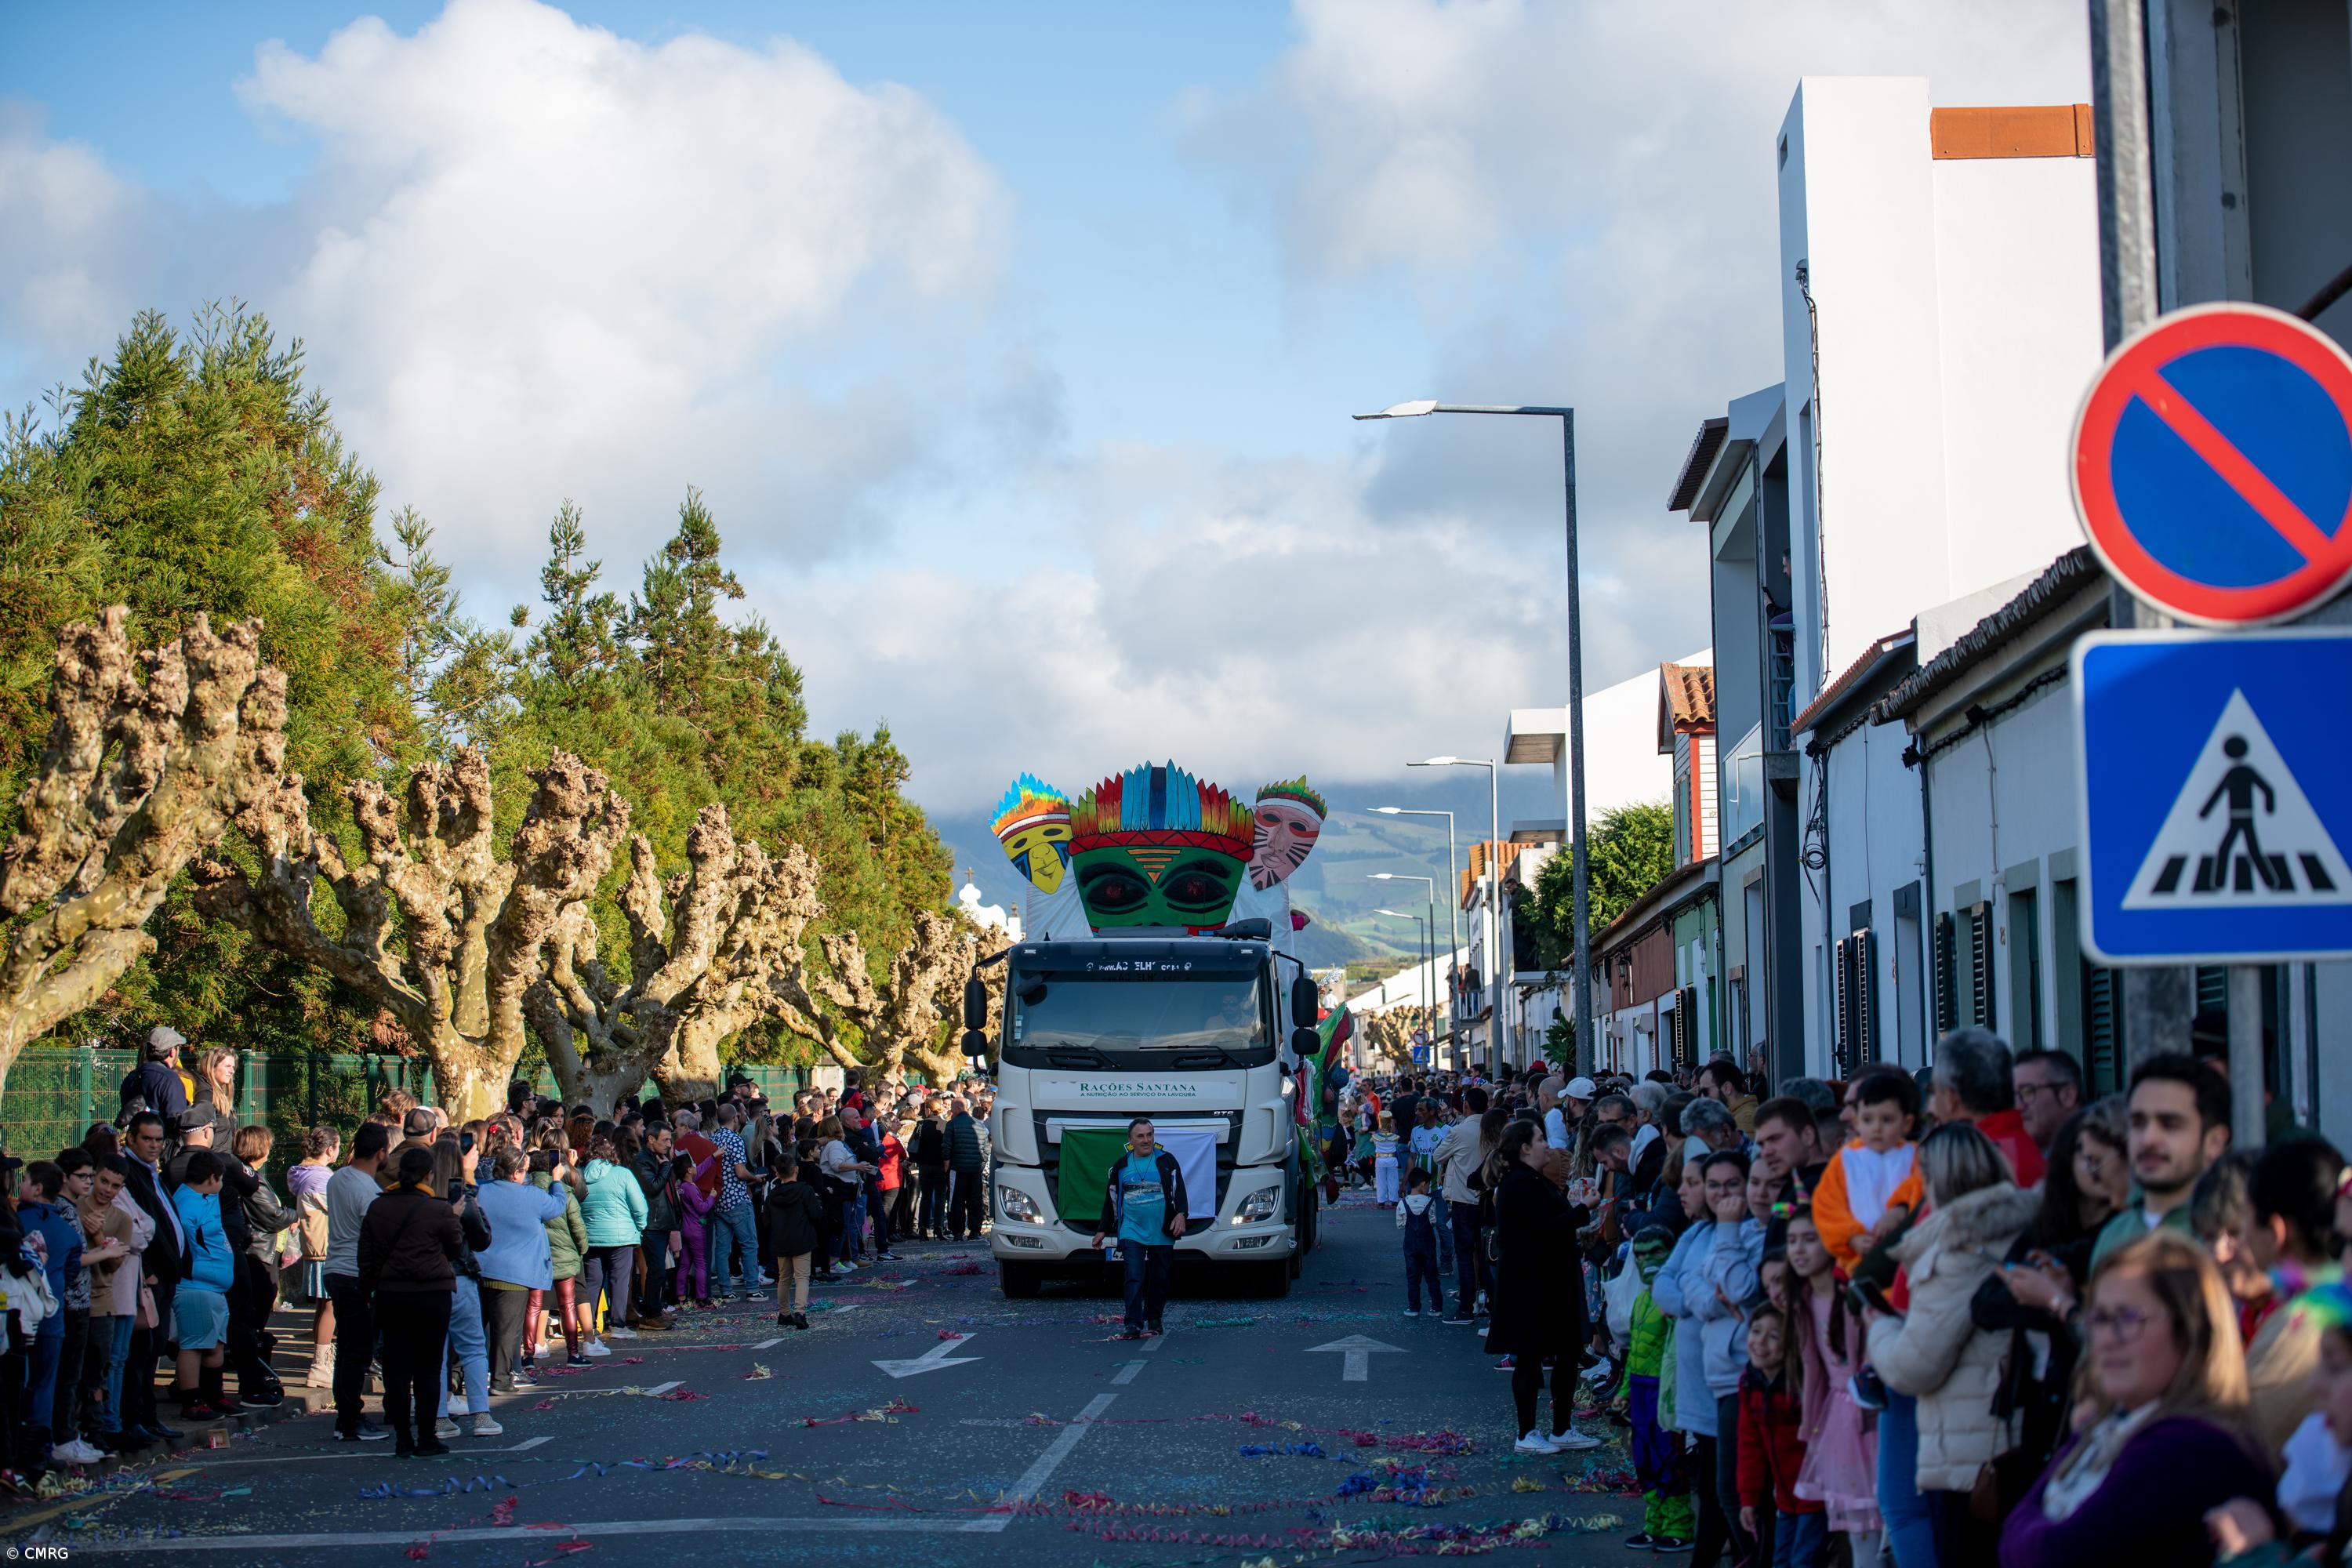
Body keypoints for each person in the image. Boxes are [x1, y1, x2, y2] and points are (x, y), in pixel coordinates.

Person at [1999, 1232, 2274, 1567]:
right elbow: (2012, 1531)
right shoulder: (2112, 1424)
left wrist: (2027, 1529)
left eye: (2129, 1318)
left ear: (2191, 1330)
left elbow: (2056, 1555)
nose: (2107, 1340)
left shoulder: (2194, 1446)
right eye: (2099, 1319)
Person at [1864, 1122, 2040, 1568]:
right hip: (2007, 1436)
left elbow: (1913, 1366)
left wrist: (1878, 1327)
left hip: (1967, 1453)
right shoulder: (2018, 1227)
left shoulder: (1958, 1250)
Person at [1485, 1120, 1600, 1455]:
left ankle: (1562, 1428)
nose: (1547, 1145)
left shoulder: (1534, 1180)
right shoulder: (1519, 1183)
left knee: (1566, 1353)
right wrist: (1584, 1211)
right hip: (1530, 1282)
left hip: (1549, 1278)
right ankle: (1527, 1432)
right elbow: (1542, 1228)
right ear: (1524, 1148)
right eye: (1540, 1139)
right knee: (1530, 1356)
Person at [357, 1145, 465, 1458]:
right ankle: (427, 1436)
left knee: (397, 1367)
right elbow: (455, 1249)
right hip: (432, 1294)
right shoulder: (438, 1210)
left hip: (392, 1294)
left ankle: (403, 1437)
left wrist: (370, 1289)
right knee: (430, 1368)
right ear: (428, 1175)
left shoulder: (378, 1208)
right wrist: (454, 1218)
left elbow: (367, 1254)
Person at [1784, 1206, 1879, 1555]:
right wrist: (1810, 1426)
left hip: (1872, 1415)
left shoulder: (1853, 1296)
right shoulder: (1804, 1300)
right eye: (1792, 1241)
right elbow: (1813, 1368)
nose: (1799, 1250)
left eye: (1810, 1239)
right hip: (1838, 1418)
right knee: (1859, 1529)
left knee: (1887, 1523)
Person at [2094, 1053, 2235, 1270]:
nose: (2149, 1139)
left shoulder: (2233, 1241)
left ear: (2215, 1142)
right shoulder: (2114, 1235)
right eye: (2138, 1123)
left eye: (2170, 1124)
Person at [474, 1145, 569, 1410]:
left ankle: (469, 1376)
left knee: (479, 1327)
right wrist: (557, 1180)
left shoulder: (482, 1192)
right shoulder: (532, 1196)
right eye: (524, 1171)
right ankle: (501, 1378)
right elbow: (558, 1206)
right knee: (507, 1330)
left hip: (482, 1268)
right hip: (515, 1273)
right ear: (517, 1173)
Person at [1622, 1219, 1695, 1552]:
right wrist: (1623, 1393)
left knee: (1670, 1459)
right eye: (1639, 1254)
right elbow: (1633, 1349)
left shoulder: (1675, 1302)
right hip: (1639, 1390)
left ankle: (1679, 1525)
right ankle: (1655, 1522)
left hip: (1664, 1392)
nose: (1645, 1260)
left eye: (1655, 1252)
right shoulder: (1640, 1302)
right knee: (1645, 1459)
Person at [1739, 1300, 1825, 1567]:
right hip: (1785, 1498)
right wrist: (1749, 1499)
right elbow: (1748, 1444)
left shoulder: (1802, 1387)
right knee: (1781, 1559)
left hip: (1815, 1494)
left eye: (1774, 1336)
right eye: (1756, 1331)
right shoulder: (1751, 1382)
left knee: (1802, 1561)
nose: (1761, 1342)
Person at [321, 1120, 391, 1441]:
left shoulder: (338, 1179)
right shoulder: (371, 1192)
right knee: (357, 1351)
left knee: (348, 1346)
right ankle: (350, 1418)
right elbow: (377, 1237)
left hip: (334, 1268)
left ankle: (345, 1415)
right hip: (356, 1275)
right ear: (381, 1152)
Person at [1813, 1065, 1920, 1272]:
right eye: (1868, 1118)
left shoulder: (1916, 1156)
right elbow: (1826, 1206)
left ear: (1906, 1122)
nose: (1877, 1128)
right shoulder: (1846, 1160)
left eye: (1886, 1119)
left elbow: (1922, 1189)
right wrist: (1850, 1237)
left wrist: (1901, 1207)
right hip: (1857, 1263)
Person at [1092, 1117, 1188, 1340]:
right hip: (1131, 1230)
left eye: (1150, 1135)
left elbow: (1179, 1190)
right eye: (1141, 1136)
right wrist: (1103, 1229)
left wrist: (1181, 1215)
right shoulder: (1121, 1165)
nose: (1146, 1140)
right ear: (1130, 1140)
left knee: (1159, 1278)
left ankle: (1154, 1318)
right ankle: (1133, 1323)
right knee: (1134, 1276)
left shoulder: (1166, 1161)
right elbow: (1112, 1200)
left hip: (1161, 1230)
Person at [427, 1138, 495, 1442]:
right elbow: (482, 1238)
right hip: (461, 1277)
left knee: (436, 1351)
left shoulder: (423, 1201)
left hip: (428, 1282)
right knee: (472, 1347)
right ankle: (482, 1414)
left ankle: (440, 1416)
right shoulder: (463, 1200)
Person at [1926, 1027, 2045, 1187]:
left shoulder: (1974, 1163)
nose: (1929, 1108)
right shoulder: (2021, 1149)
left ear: (1951, 1099)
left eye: (1934, 1090)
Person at [164, 1151, 233, 1422]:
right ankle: (192, 1400)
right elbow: (181, 1246)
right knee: (193, 1345)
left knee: (214, 1344)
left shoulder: (204, 1197)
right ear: (212, 1178)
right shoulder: (187, 1205)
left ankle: (214, 1395)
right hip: (196, 1286)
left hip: (213, 1287)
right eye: (221, 1179)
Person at [579, 1135, 648, 1341]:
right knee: (620, 1280)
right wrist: (639, 1227)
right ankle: (618, 1324)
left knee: (593, 1282)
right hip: (621, 1236)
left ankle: (589, 1325)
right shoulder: (622, 1174)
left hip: (591, 1236)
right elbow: (639, 1205)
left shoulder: (580, 1176)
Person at [529, 1148, 593, 1364]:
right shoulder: (564, 1192)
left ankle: (531, 1351)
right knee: (568, 1304)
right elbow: (578, 1226)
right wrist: (582, 1249)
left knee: (535, 1306)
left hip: (536, 1256)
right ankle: (573, 1352)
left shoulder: (526, 1192)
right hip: (565, 1255)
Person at [703, 1105, 762, 1301]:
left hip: (719, 1199)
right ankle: (753, 1288)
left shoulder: (714, 1139)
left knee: (722, 1248)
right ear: (735, 1118)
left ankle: (726, 1290)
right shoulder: (734, 1140)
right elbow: (740, 1171)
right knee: (749, 1244)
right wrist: (754, 1177)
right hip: (736, 1198)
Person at [766, 1149, 822, 1330]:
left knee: (784, 1278)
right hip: (802, 1237)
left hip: (781, 1239)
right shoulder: (805, 1190)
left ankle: (784, 1313)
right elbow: (816, 1214)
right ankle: (800, 1311)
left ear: (777, 1172)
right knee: (802, 1277)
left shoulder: (772, 1195)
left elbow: (766, 1221)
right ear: (795, 1169)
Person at [632, 1123, 678, 1327]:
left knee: (659, 1269)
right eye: (665, 1140)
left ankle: (656, 1309)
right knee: (656, 1268)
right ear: (651, 1139)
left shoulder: (654, 1159)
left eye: (670, 1140)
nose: (668, 1144)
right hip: (652, 1222)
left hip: (661, 1220)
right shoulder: (643, 1160)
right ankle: (651, 1313)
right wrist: (667, 1166)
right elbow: (653, 1187)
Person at [2013, 1048, 2085, 1157]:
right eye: (2012, 1095)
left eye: (2027, 1092)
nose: (2017, 1107)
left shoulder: (2099, 1154)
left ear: (2068, 1096)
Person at [118, 1025, 193, 1127]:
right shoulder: (170, 1078)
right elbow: (176, 1121)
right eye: (178, 1048)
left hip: (135, 1140)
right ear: (172, 1051)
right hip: (159, 1140)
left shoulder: (132, 1076)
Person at [1397, 1167, 1445, 1317]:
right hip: (1428, 1244)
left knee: (1413, 1276)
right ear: (1423, 1184)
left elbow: (1400, 1225)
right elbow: (1433, 1221)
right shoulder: (1431, 1202)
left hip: (1410, 1244)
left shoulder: (1403, 1204)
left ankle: (1413, 1307)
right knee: (1432, 1275)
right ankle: (1437, 1307)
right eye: (1428, 1184)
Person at [946, 1098, 988, 1243]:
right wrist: (980, 1165)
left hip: (957, 1169)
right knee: (975, 1200)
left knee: (956, 1200)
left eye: (952, 1107)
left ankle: (958, 1231)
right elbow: (985, 1150)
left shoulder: (952, 1125)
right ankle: (975, 1230)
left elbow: (946, 1147)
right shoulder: (980, 1126)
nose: (951, 1110)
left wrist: (947, 1165)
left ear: (957, 1108)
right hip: (975, 1169)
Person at [912, 1100, 950, 1240]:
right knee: (940, 1197)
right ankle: (938, 1228)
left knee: (926, 1197)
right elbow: (948, 1145)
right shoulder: (945, 1125)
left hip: (924, 1164)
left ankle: (923, 1228)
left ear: (928, 1110)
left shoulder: (921, 1125)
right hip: (940, 1164)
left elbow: (914, 1144)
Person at [1699, 1060, 1760, 1134]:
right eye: (1700, 1093)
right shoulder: (1733, 1117)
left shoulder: (1745, 1120)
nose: (1702, 1097)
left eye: (1705, 1091)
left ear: (1727, 1088)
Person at [1371, 1113, 1401, 1205]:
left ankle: (1381, 1201)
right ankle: (1394, 1200)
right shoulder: (1395, 1137)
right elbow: (1395, 1145)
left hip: (1380, 1159)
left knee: (1381, 1181)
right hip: (1392, 1159)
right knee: (1393, 1180)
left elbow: (1374, 1142)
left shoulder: (1375, 1137)